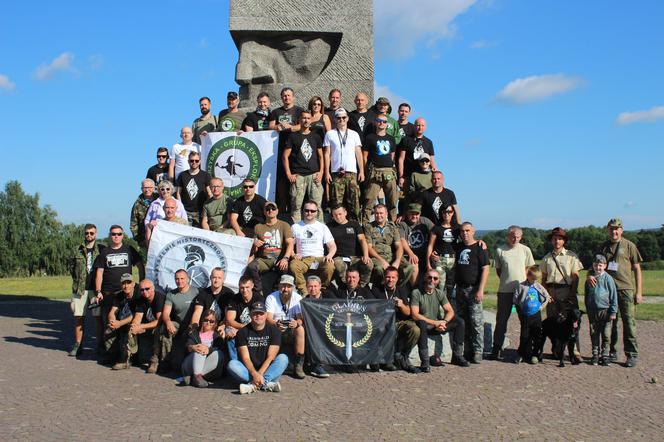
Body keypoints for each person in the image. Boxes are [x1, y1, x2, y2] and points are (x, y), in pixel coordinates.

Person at [594, 218, 643, 367]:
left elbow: (637, 269)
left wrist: (639, 292)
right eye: (611, 228)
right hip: (607, 291)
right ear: (608, 230)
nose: (614, 231)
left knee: (629, 322)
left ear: (621, 230)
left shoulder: (629, 246)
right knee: (610, 323)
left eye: (617, 229)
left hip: (626, 290)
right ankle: (612, 351)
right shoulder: (604, 247)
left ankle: (631, 354)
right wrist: (591, 275)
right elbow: (596, 265)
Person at [93, 225, 144, 347]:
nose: (116, 236)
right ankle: (108, 350)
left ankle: (129, 349)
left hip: (126, 293)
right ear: (110, 235)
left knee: (127, 320)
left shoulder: (129, 249)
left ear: (123, 235)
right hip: (108, 292)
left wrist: (141, 282)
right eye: (113, 234)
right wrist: (98, 291)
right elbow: (99, 273)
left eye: (119, 234)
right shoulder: (105, 252)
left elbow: (140, 265)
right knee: (109, 322)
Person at [491, 225, 536, 360]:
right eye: (512, 236)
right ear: (507, 236)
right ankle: (497, 348)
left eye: (517, 236)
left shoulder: (525, 250)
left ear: (521, 237)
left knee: (525, 320)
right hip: (505, 291)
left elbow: (529, 269)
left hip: (523, 291)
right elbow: (499, 271)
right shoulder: (500, 250)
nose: (515, 239)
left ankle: (524, 349)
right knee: (501, 321)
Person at [411, 269, 468, 372]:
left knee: (459, 322)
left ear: (438, 281)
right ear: (425, 278)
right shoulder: (416, 293)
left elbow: (450, 311)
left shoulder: (439, 293)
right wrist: (434, 322)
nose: (432, 280)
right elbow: (415, 315)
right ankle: (425, 361)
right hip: (424, 325)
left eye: (435, 278)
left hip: (437, 325)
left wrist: (444, 322)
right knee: (422, 323)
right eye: (429, 277)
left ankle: (457, 356)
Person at [226, 301, 289, 394]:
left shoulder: (274, 331)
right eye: (255, 313)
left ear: (266, 315)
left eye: (261, 313)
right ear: (250, 315)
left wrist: (259, 374)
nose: (258, 316)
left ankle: (253, 385)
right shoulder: (242, 332)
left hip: (268, 369)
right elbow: (245, 358)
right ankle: (266, 384)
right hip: (249, 370)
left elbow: (270, 358)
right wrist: (255, 374)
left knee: (283, 358)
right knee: (232, 364)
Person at [541, 227, 583, 362]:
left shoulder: (571, 256)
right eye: (554, 239)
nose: (557, 241)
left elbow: (575, 277)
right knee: (554, 323)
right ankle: (557, 350)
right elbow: (544, 278)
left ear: (564, 241)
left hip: (567, 291)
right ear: (551, 241)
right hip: (551, 291)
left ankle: (575, 352)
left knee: (571, 323)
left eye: (560, 239)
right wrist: (547, 294)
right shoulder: (546, 258)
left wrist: (572, 294)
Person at [371, 267, 419, 372]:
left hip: (399, 322)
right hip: (383, 322)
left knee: (415, 330)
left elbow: (408, 312)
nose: (390, 280)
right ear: (384, 277)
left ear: (397, 279)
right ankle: (385, 360)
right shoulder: (376, 290)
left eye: (393, 277)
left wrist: (401, 305)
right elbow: (372, 309)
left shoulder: (401, 290)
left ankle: (402, 356)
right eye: (388, 277)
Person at [454, 222, 489, 364]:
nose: (465, 233)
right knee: (463, 322)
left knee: (476, 322)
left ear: (473, 231)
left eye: (467, 230)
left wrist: (480, 289)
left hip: (474, 289)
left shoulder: (480, 248)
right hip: (460, 289)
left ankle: (478, 351)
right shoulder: (458, 247)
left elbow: (486, 269)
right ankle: (467, 350)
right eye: (462, 231)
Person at [69, 224, 105, 357]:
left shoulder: (102, 249)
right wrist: (78, 282)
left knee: (98, 318)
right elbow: (71, 268)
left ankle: (100, 344)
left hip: (96, 289)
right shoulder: (77, 249)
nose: (89, 235)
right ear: (84, 234)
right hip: (80, 289)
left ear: (96, 234)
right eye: (87, 233)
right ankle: (78, 344)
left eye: (91, 233)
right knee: (79, 317)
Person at [323, 107, 364, 221]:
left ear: (347, 118)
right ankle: (337, 226)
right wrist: (327, 172)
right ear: (335, 119)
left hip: (352, 172)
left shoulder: (354, 134)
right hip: (336, 172)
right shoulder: (330, 134)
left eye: (344, 117)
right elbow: (327, 154)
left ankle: (355, 225)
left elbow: (358, 153)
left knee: (354, 201)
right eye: (339, 118)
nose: (341, 120)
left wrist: (361, 171)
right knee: (336, 202)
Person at [245, 201, 295, 294]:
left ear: (277, 211)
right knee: (252, 266)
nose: (270, 211)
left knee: (285, 268)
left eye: (273, 209)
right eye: (267, 209)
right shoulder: (258, 227)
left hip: (279, 258)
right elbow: (254, 250)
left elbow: (290, 244)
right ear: (264, 212)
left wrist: (285, 258)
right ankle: (258, 289)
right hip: (264, 260)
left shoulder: (284, 225)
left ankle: (279, 288)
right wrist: (254, 244)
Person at [283, 111, 324, 221]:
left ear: (311, 120)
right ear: (299, 120)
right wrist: (288, 174)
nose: (306, 120)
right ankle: (296, 232)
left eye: (308, 118)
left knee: (317, 206)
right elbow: (285, 156)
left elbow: (321, 156)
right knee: (296, 206)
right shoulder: (293, 136)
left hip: (314, 175)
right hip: (298, 176)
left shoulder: (316, 136)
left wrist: (321, 172)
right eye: (303, 118)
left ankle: (320, 232)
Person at [289, 200, 337, 294]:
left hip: (319, 259)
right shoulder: (295, 227)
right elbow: (289, 245)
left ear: (317, 212)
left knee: (330, 266)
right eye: (306, 210)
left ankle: (321, 288)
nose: (309, 213)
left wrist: (330, 255)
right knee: (293, 265)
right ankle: (304, 291)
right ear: (303, 211)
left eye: (312, 211)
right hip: (303, 259)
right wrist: (293, 255)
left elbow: (332, 246)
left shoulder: (322, 227)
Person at [265, 275, 308, 379]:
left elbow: (300, 319)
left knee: (300, 329)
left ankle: (298, 364)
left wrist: (296, 323)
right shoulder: (271, 297)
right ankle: (270, 364)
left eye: (288, 286)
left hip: (291, 327)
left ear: (293, 287)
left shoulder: (297, 297)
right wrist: (276, 324)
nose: (285, 289)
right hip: (276, 326)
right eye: (283, 286)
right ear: (279, 286)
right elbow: (268, 318)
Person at [269, 87, 304, 213]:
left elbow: (302, 125)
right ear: (281, 97)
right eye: (284, 96)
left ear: (293, 96)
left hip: (295, 151)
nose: (286, 98)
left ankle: (295, 211)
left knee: (295, 183)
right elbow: (270, 125)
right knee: (281, 184)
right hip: (279, 150)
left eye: (289, 95)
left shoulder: (299, 110)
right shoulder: (276, 112)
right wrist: (277, 126)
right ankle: (282, 212)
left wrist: (290, 127)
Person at [159, 269, 200, 373]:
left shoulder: (196, 292)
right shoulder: (171, 294)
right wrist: (168, 322)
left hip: (193, 326)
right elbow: (166, 313)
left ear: (188, 279)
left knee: (179, 367)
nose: (179, 281)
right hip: (178, 326)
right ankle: (164, 361)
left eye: (182, 278)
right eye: (177, 279)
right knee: (165, 328)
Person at [362, 113, 399, 223]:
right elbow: (365, 156)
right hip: (375, 171)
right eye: (379, 121)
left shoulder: (391, 139)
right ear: (375, 122)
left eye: (384, 121)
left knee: (392, 201)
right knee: (369, 201)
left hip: (389, 171)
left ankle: (392, 226)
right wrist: (365, 171)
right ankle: (365, 226)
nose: (381, 123)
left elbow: (392, 156)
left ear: (387, 124)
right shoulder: (370, 138)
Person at [366, 204, 414, 286]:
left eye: (381, 213)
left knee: (409, 267)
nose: (379, 215)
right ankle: (380, 289)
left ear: (386, 214)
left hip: (391, 256)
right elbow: (369, 248)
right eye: (376, 213)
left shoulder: (392, 227)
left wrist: (397, 261)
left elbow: (399, 246)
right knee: (378, 269)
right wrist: (381, 260)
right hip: (376, 256)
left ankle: (397, 287)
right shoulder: (369, 227)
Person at [326, 204, 373, 287]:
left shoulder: (354, 224)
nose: (338, 217)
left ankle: (361, 287)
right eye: (335, 215)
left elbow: (362, 240)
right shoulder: (329, 227)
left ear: (345, 213)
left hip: (355, 257)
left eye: (340, 214)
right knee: (339, 265)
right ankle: (346, 287)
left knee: (368, 264)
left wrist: (366, 255)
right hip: (339, 257)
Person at [513, 266, 551, 364]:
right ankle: (521, 354)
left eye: (537, 279)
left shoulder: (538, 286)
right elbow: (515, 299)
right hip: (525, 315)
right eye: (533, 278)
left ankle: (535, 354)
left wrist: (541, 307)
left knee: (537, 335)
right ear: (528, 276)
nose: (535, 281)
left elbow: (547, 296)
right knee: (524, 335)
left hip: (536, 315)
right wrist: (519, 309)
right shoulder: (521, 286)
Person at [585, 254, 618, 366]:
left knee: (606, 334)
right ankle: (595, 354)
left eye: (600, 265)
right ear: (593, 266)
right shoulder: (589, 279)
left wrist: (613, 311)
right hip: (593, 311)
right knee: (594, 333)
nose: (598, 268)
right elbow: (586, 294)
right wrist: (588, 307)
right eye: (595, 265)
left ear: (605, 265)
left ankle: (605, 354)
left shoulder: (608, 278)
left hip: (606, 310)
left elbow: (613, 295)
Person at [103, 274, 140, 369]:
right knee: (109, 329)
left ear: (133, 284)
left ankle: (125, 360)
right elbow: (112, 311)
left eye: (128, 283)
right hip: (120, 322)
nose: (126, 286)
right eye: (124, 283)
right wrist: (112, 321)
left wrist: (119, 323)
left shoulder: (138, 295)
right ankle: (112, 355)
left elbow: (135, 316)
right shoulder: (119, 295)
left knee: (130, 330)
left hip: (134, 322)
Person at [182, 309, 226, 388]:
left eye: (211, 321)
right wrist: (193, 347)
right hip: (191, 363)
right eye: (206, 320)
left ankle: (195, 377)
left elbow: (221, 348)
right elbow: (187, 346)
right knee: (200, 348)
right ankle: (196, 376)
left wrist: (208, 350)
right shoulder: (194, 332)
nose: (208, 323)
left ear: (215, 323)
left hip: (207, 367)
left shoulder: (217, 336)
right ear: (202, 320)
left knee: (218, 353)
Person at [131, 279, 165, 374]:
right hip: (148, 326)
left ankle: (155, 360)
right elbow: (137, 317)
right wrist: (134, 326)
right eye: (142, 290)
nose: (144, 292)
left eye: (147, 289)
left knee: (159, 329)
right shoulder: (141, 299)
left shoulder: (159, 298)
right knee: (131, 328)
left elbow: (159, 321)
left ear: (153, 288)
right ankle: (129, 356)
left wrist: (141, 326)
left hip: (160, 326)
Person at [225, 276, 264, 360]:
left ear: (252, 286)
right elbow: (230, 320)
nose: (244, 290)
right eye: (242, 287)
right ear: (239, 287)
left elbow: (260, 320)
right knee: (229, 331)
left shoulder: (258, 298)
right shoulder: (234, 299)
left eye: (247, 287)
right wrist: (243, 329)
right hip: (240, 329)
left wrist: (245, 329)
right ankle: (235, 364)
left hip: (256, 329)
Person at [426, 203, 460, 291]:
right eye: (444, 212)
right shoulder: (436, 228)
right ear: (441, 213)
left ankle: (450, 304)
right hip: (439, 260)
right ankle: (439, 304)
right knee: (439, 286)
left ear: (453, 213)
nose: (447, 214)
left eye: (449, 212)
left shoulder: (457, 228)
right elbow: (430, 246)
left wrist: (479, 241)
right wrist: (428, 263)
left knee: (451, 286)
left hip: (453, 260)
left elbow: (467, 238)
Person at [398, 118, 438, 188]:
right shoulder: (406, 139)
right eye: (418, 125)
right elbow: (401, 159)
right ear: (414, 126)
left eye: (422, 125)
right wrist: (401, 176)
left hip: (424, 176)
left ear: (425, 127)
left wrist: (436, 173)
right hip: (408, 175)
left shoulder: (428, 142)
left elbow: (432, 160)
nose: (420, 127)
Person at [397, 203, 433, 281]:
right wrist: (411, 254)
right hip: (408, 255)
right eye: (411, 214)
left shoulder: (425, 221)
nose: (414, 216)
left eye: (417, 214)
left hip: (425, 255)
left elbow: (435, 233)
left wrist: (435, 251)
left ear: (420, 214)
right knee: (414, 265)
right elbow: (402, 240)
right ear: (407, 213)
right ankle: (415, 289)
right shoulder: (402, 224)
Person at [175, 151, 211, 227]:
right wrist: (180, 208)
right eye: (192, 160)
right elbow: (178, 193)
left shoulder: (205, 175)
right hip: (185, 211)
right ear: (188, 161)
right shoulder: (182, 175)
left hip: (200, 211)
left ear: (200, 162)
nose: (194, 162)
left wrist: (206, 209)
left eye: (196, 161)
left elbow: (209, 193)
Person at [129, 179, 157, 249]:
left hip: (160, 238)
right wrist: (139, 240)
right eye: (145, 188)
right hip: (145, 240)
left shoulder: (160, 199)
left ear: (154, 188)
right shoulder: (137, 204)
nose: (147, 190)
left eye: (149, 187)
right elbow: (133, 224)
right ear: (141, 189)